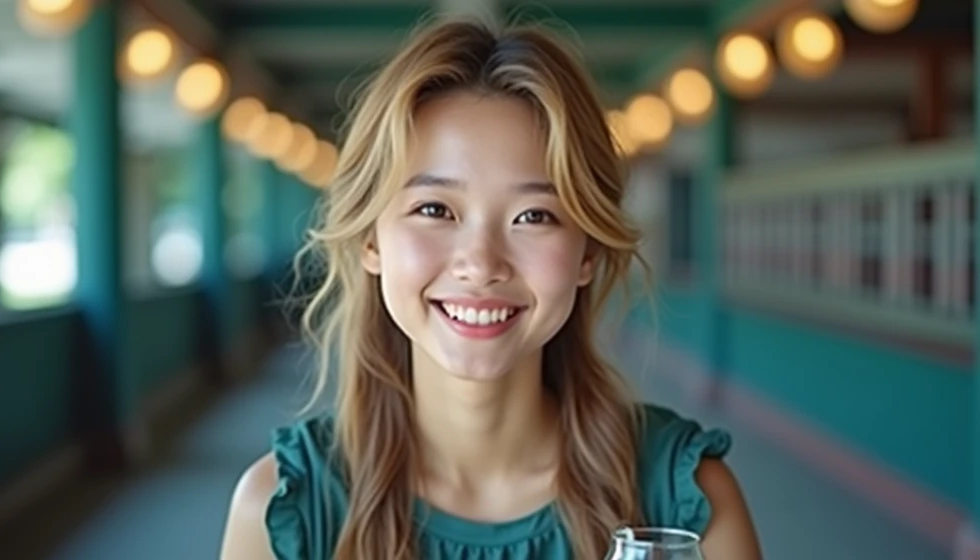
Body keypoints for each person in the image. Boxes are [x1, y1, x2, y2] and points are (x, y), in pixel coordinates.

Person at [219, 18, 761, 560]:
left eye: (533, 215)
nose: (480, 265)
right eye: (434, 209)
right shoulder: (282, 511)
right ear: (371, 240)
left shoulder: (686, 501)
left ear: (587, 253)